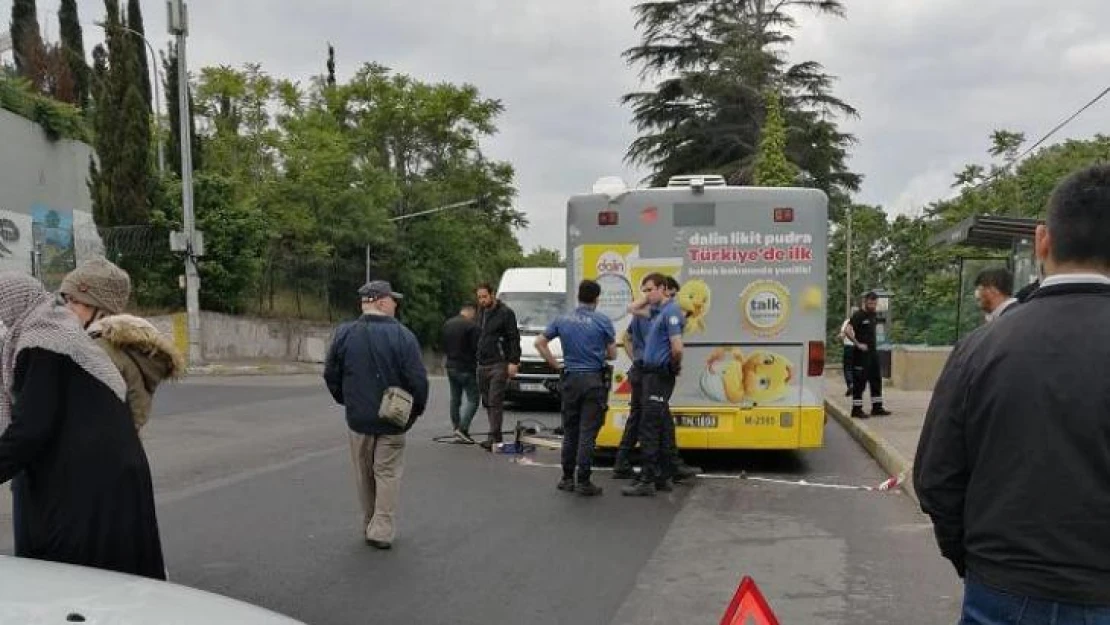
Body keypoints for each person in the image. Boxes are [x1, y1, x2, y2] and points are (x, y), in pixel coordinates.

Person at [914, 163, 1110, 622]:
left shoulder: (980, 349)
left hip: (1003, 592)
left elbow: (936, 477)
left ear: (1043, 240)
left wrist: (977, 562)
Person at [0, 271, 165, 579]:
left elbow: (31, 429)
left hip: (87, 486)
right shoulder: (55, 333)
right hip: (92, 478)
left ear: (13, 305)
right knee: (105, 581)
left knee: (80, 585)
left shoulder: (44, 341)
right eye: (67, 298)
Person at [324, 280, 429, 550]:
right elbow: (418, 381)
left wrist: (348, 402)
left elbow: (331, 375)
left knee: (363, 471)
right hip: (393, 420)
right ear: (381, 301)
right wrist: (414, 412)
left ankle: (368, 520)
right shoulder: (404, 336)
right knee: (387, 472)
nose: (396, 304)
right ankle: (381, 529)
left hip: (358, 419)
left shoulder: (345, 333)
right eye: (393, 299)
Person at [58, 258, 185, 431]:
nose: (67, 308)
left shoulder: (99, 351)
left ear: (100, 307)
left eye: (75, 301)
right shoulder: (124, 346)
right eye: (66, 300)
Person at [613, 277, 700, 483]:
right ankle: (647, 468)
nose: (675, 297)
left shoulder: (664, 313)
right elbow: (630, 326)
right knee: (647, 420)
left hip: (653, 372)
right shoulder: (657, 312)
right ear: (665, 290)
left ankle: (666, 466)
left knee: (656, 420)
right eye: (672, 293)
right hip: (646, 371)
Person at [534, 279, 615, 496]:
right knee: (587, 432)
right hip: (593, 380)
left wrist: (555, 364)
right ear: (597, 298)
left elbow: (539, 342)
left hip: (570, 379)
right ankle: (584, 480)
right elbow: (613, 353)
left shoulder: (562, 319)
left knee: (570, 430)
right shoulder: (602, 321)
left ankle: (567, 477)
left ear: (579, 296)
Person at [622, 273, 684, 497]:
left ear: (664, 289)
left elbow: (677, 347)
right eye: (644, 291)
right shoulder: (657, 312)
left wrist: (673, 366)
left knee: (649, 426)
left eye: (650, 290)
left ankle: (647, 479)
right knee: (661, 425)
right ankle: (663, 476)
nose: (646, 295)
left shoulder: (671, 313)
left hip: (659, 375)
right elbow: (631, 309)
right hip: (650, 374)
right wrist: (649, 296)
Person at [474, 282, 521, 451]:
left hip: (499, 363)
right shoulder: (480, 313)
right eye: (479, 297)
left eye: (484, 296)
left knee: (495, 400)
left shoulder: (506, 313)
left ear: (492, 294)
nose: (482, 300)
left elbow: (513, 337)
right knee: (487, 401)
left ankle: (495, 436)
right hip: (482, 363)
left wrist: (514, 361)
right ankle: (493, 433)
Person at [844, 292, 891, 418]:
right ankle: (856, 409)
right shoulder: (858, 315)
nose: (873, 305)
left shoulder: (873, 315)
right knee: (860, 381)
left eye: (875, 303)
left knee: (876, 379)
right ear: (865, 301)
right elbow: (847, 330)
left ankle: (877, 407)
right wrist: (858, 344)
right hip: (861, 354)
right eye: (871, 303)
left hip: (873, 353)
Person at [441, 303, 480, 444]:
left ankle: (456, 427)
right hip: (467, 367)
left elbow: (443, 345)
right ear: (470, 311)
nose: (475, 317)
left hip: (451, 365)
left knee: (455, 399)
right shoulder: (472, 327)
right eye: (474, 314)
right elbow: (477, 348)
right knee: (473, 399)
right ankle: (463, 429)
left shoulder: (448, 324)